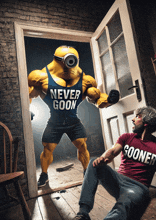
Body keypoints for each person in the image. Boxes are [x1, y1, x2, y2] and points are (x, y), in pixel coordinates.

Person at [73, 106, 156, 220]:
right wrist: (103, 158)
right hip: (117, 180)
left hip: (137, 188)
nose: (133, 119)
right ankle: (83, 213)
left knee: (123, 206)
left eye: (138, 116)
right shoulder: (127, 138)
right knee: (93, 161)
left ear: (146, 122)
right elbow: (113, 151)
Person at [28, 45, 119, 187]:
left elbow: (97, 99)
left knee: (82, 146)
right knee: (48, 149)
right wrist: (27, 109)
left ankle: (86, 172)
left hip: (73, 121)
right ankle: (44, 174)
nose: (69, 65)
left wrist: (109, 100)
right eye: (65, 60)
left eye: (72, 60)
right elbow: (28, 94)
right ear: (57, 60)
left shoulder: (85, 80)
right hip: (54, 121)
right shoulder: (40, 77)